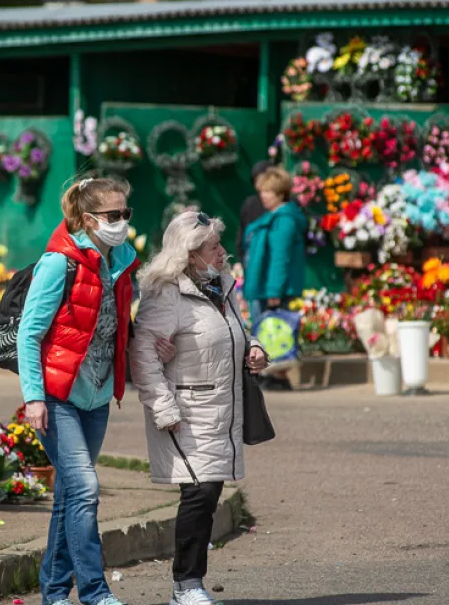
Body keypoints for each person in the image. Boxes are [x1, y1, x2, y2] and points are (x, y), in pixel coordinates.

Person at [129, 211, 268, 605]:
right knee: (201, 493)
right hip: (185, 411)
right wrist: (162, 407)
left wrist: (254, 348)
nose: (222, 253)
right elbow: (144, 354)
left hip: (223, 410)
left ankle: (189, 584)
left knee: (208, 492)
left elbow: (234, 332)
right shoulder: (164, 292)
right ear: (191, 254)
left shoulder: (222, 286)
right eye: (214, 247)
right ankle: (186, 585)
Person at [17, 175, 138, 605]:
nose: (122, 221)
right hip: (56, 396)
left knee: (70, 494)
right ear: (88, 219)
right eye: (112, 215)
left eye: (126, 213)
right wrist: (33, 397)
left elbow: (120, 329)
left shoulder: (123, 261)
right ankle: (94, 591)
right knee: (85, 489)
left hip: (97, 397)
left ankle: (52, 592)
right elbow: (29, 334)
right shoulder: (59, 262)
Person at [242, 166, 306, 390]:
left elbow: (280, 259)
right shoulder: (273, 217)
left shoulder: (284, 220)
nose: (263, 196)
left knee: (274, 332)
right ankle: (272, 374)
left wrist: (274, 293)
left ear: (280, 193)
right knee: (266, 332)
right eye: (262, 191)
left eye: (267, 192)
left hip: (271, 289)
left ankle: (277, 376)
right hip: (263, 286)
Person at [233, 160, 274, 268]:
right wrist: (241, 260)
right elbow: (242, 235)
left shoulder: (286, 203)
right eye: (257, 181)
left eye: (264, 179)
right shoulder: (250, 204)